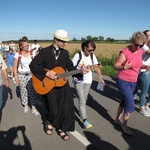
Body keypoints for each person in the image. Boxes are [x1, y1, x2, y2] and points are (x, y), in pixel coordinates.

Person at [29, 29, 88, 141]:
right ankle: (49, 121)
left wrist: (80, 71)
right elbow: (33, 65)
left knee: (65, 108)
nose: (65, 44)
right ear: (56, 39)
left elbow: (70, 67)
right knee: (53, 109)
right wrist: (46, 73)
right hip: (48, 85)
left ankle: (61, 128)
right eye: (63, 41)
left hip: (63, 84)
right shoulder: (45, 52)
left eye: (66, 42)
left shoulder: (65, 53)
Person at [114, 31, 146, 136]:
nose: (138, 47)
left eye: (141, 45)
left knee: (124, 101)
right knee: (130, 104)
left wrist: (145, 66)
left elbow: (138, 63)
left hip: (133, 81)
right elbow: (116, 66)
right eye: (136, 44)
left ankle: (117, 120)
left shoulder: (140, 51)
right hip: (123, 80)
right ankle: (124, 125)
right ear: (131, 41)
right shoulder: (125, 52)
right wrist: (124, 67)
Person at [71, 40, 104, 129]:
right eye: (89, 50)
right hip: (78, 80)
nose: (91, 52)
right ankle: (85, 120)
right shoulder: (78, 55)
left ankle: (82, 112)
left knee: (84, 99)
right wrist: (80, 71)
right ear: (85, 48)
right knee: (82, 100)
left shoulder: (92, 56)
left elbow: (97, 67)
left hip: (88, 81)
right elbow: (70, 67)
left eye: (93, 50)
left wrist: (100, 77)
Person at [13, 37, 39, 116]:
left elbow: (36, 64)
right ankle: (25, 104)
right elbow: (14, 67)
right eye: (25, 46)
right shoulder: (18, 54)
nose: (27, 47)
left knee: (32, 91)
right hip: (22, 75)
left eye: (28, 45)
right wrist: (16, 78)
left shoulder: (32, 53)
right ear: (21, 47)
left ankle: (33, 107)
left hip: (31, 74)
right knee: (23, 90)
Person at [136, 30, 150, 116]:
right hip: (144, 70)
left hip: (148, 70)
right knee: (144, 91)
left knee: (139, 87)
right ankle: (141, 108)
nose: (149, 37)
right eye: (148, 35)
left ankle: (146, 104)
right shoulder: (143, 45)